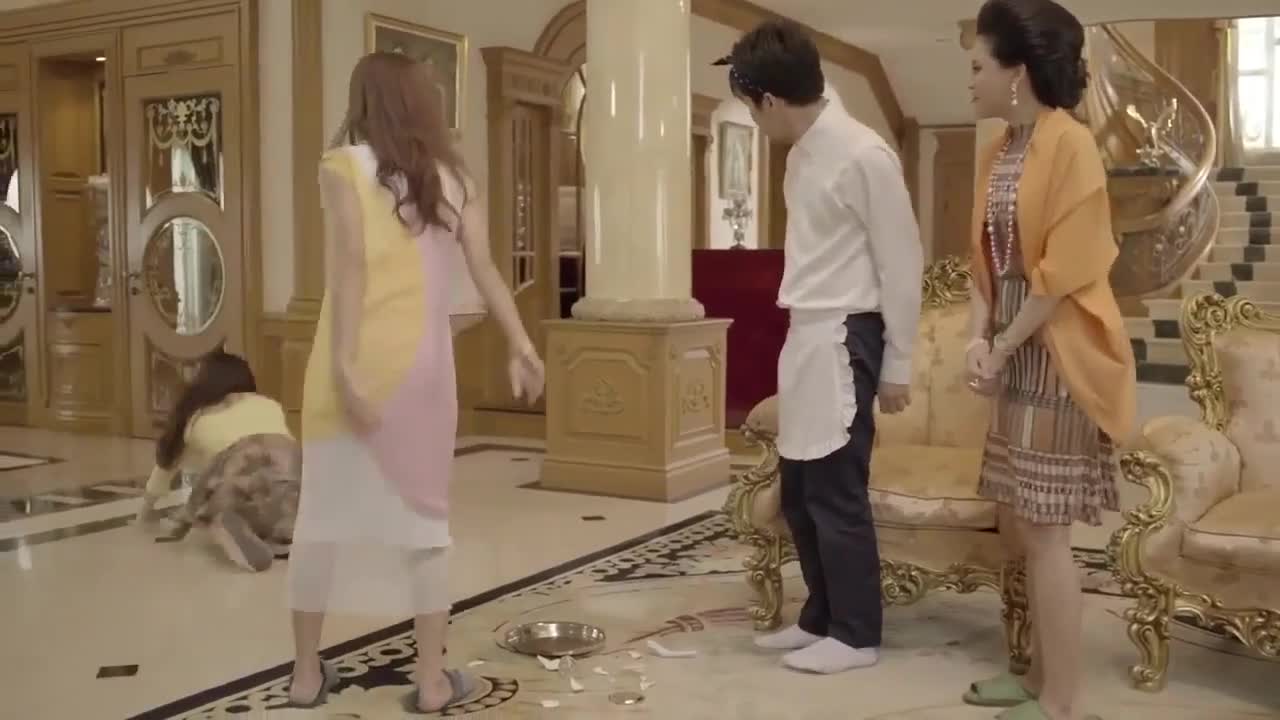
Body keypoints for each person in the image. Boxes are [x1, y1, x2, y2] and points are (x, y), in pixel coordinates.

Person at [285, 52, 545, 713]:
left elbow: (348, 268)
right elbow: (487, 269)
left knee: (320, 520)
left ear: (364, 101)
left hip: (348, 365)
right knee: (426, 525)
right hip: (424, 373)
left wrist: (346, 366)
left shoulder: (342, 166)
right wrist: (521, 343)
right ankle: (430, 682)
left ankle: (306, 676)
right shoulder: (454, 179)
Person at [717, 20, 923, 674]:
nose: (757, 121)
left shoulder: (864, 155)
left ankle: (857, 634)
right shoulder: (802, 151)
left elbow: (902, 262)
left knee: (836, 492)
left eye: (753, 108)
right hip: (806, 332)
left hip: (845, 335)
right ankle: (820, 618)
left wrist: (898, 363)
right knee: (801, 492)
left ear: (771, 101)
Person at [963, 1, 1137, 718]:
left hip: (1056, 356)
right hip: (1011, 349)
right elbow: (982, 264)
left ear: (1018, 73)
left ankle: (1061, 699)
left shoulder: (1072, 145)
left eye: (979, 65)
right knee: (1023, 525)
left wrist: (1002, 345)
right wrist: (978, 339)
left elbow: (1061, 275)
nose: (970, 78)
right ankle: (1037, 678)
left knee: (1046, 532)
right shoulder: (998, 148)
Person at [136, 349, 299, 574]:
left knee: (222, 484)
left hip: (239, 469)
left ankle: (226, 521)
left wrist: (144, 514)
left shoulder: (196, 418)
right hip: (292, 468)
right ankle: (284, 537)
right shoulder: (268, 404)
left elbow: (163, 471)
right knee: (283, 500)